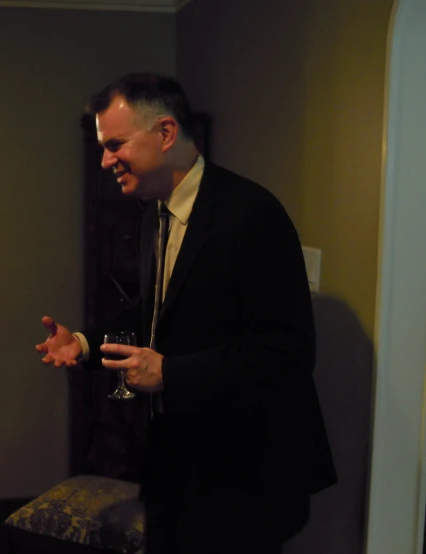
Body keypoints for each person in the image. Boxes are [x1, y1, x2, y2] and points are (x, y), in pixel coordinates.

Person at [36, 74, 336, 554]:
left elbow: (287, 353)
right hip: (176, 462)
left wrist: (170, 372)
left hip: (243, 475)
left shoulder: (253, 214)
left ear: (166, 133)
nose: (105, 160)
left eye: (115, 145)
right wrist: (85, 344)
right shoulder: (154, 214)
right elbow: (152, 318)